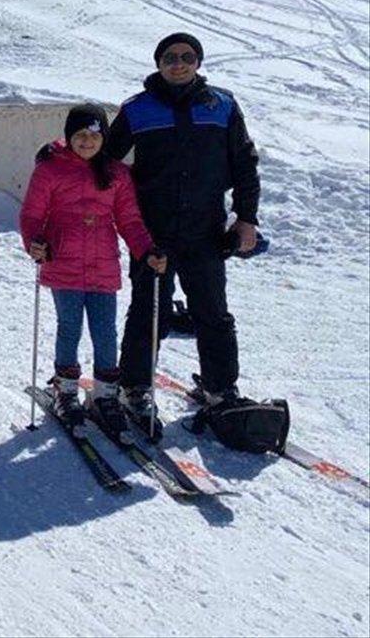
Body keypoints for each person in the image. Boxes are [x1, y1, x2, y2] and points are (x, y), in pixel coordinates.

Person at [105, 32, 261, 441]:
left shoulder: (222, 106)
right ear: (158, 63)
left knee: (212, 311)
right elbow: (104, 162)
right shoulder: (137, 109)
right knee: (149, 308)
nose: (178, 64)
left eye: (187, 57)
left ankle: (220, 388)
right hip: (152, 231)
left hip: (205, 230)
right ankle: (135, 387)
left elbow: (244, 163)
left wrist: (246, 219)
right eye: (170, 57)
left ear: (198, 62)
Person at [19, 103, 166, 432]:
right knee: (69, 328)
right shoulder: (50, 170)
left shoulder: (116, 174)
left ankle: (105, 395)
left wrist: (146, 250)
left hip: (103, 265)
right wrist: (35, 242)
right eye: (81, 135)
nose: (87, 141)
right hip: (63, 262)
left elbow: (129, 220)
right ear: (69, 136)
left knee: (105, 332)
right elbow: (32, 215)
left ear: (105, 138)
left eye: (95, 135)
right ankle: (66, 390)